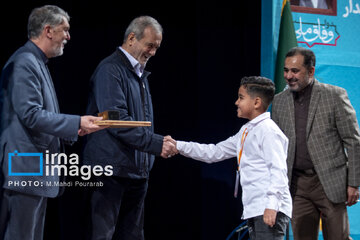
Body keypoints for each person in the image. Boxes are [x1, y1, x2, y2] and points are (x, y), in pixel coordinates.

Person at [0, 5, 105, 240]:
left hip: (34, 171)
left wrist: (76, 128)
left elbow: (39, 115)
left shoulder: (37, 62)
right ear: (48, 30)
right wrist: (76, 121)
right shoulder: (25, 61)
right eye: (64, 30)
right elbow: (31, 115)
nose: (68, 36)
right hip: (25, 171)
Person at [83, 16, 177, 240]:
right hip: (110, 170)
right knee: (103, 235)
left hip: (136, 171)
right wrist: (156, 144)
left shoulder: (140, 74)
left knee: (133, 236)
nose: (153, 52)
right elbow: (116, 121)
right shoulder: (110, 70)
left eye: (157, 47)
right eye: (150, 45)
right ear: (132, 38)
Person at [166, 76, 292, 240]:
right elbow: (214, 152)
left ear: (256, 103)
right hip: (255, 208)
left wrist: (271, 206)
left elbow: (278, 170)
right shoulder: (246, 131)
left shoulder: (268, 131)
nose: (236, 103)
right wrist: (179, 145)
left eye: (241, 98)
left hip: (267, 208)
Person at [271, 47, 360, 240]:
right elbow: (275, 148)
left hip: (330, 182)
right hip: (297, 185)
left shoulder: (334, 96)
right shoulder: (278, 102)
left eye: (295, 71)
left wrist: (354, 183)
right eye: (286, 70)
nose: (288, 76)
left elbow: (353, 141)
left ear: (311, 71)